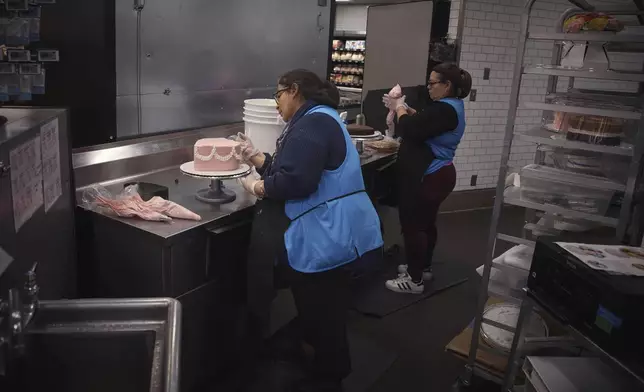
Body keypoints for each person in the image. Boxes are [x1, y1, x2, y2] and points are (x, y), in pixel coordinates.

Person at [236, 69, 384, 391]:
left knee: (323, 312)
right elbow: (296, 167)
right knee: (321, 306)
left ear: (294, 90)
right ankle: (324, 362)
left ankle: (329, 375)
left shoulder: (311, 124)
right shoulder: (320, 118)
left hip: (326, 236)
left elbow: (296, 182)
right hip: (333, 232)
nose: (276, 103)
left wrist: (257, 186)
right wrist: (259, 158)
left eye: (278, 95)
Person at [381, 63, 471, 294]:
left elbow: (411, 129)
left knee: (413, 227)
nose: (428, 88)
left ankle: (414, 280)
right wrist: (406, 110)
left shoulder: (445, 109)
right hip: (438, 174)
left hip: (430, 175)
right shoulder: (449, 107)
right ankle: (422, 267)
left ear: (447, 85)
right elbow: (426, 123)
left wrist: (399, 108)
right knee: (426, 224)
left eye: (432, 83)